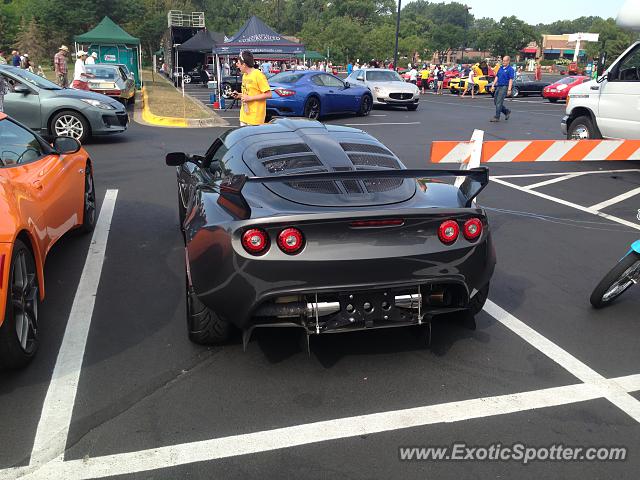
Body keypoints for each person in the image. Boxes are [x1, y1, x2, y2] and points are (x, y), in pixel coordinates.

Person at [231, 51, 271, 126]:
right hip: (244, 116)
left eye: (238, 63)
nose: (237, 65)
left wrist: (250, 98)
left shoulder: (258, 75)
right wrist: (239, 95)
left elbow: (268, 94)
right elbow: (247, 93)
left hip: (255, 118)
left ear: (244, 65)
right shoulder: (244, 75)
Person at [489, 55, 515, 122]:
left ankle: (497, 117)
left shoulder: (510, 69)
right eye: (503, 60)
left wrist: (509, 89)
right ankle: (506, 111)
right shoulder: (500, 68)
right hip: (499, 86)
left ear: (508, 61)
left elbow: (510, 80)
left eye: (505, 61)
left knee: (499, 102)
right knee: (495, 102)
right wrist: (493, 85)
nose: (503, 62)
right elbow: (497, 77)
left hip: (504, 87)